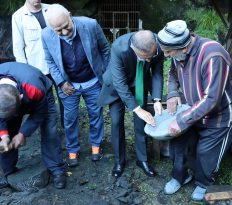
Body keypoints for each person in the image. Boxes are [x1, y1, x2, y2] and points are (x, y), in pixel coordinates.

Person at [157, 20, 232, 201]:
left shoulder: (213, 55)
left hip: (220, 115)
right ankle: (180, 176)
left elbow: (211, 99)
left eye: (168, 52)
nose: (165, 55)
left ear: (184, 48)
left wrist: (181, 120)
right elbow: (172, 73)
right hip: (194, 109)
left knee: (205, 152)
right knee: (177, 143)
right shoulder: (176, 53)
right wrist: (172, 93)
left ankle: (204, 183)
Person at [41, 4, 110, 167]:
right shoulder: (45, 34)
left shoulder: (90, 25)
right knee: (70, 118)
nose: (64, 32)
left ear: (70, 16)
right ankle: (72, 148)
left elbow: (105, 50)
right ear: (51, 28)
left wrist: (106, 76)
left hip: (93, 81)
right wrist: (61, 82)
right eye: (58, 30)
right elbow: (50, 60)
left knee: (96, 114)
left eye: (66, 27)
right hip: (68, 85)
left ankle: (96, 145)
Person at [97, 30, 164, 178]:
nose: (148, 61)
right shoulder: (119, 48)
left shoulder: (158, 45)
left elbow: (158, 73)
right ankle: (119, 161)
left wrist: (157, 99)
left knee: (142, 121)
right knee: (116, 122)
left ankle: (142, 159)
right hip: (117, 87)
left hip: (139, 83)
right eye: (144, 57)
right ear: (134, 49)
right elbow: (120, 84)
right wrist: (137, 109)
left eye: (150, 57)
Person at [0, 62, 66, 189]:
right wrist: (4, 136)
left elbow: (40, 113)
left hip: (41, 96)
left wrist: (23, 133)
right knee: (8, 131)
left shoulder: (33, 88)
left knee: (49, 132)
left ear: (21, 97)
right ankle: (8, 172)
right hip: (11, 102)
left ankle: (57, 169)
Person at [12, 0, 64, 125]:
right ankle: (49, 135)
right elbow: (18, 48)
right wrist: (25, 72)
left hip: (58, 65)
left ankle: (68, 130)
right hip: (37, 68)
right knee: (44, 105)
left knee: (66, 100)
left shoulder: (52, 9)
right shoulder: (18, 16)